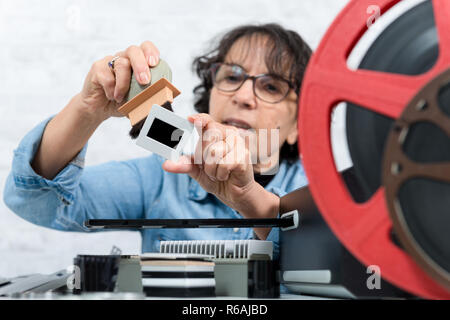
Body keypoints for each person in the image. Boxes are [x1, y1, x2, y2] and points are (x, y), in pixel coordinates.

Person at [3, 23, 312, 259]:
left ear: (298, 125)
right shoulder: (157, 178)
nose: (244, 96)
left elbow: (339, 265)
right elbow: (34, 201)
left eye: (272, 87)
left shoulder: (328, 191)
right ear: (211, 97)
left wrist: (251, 200)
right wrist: (87, 110)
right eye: (231, 77)